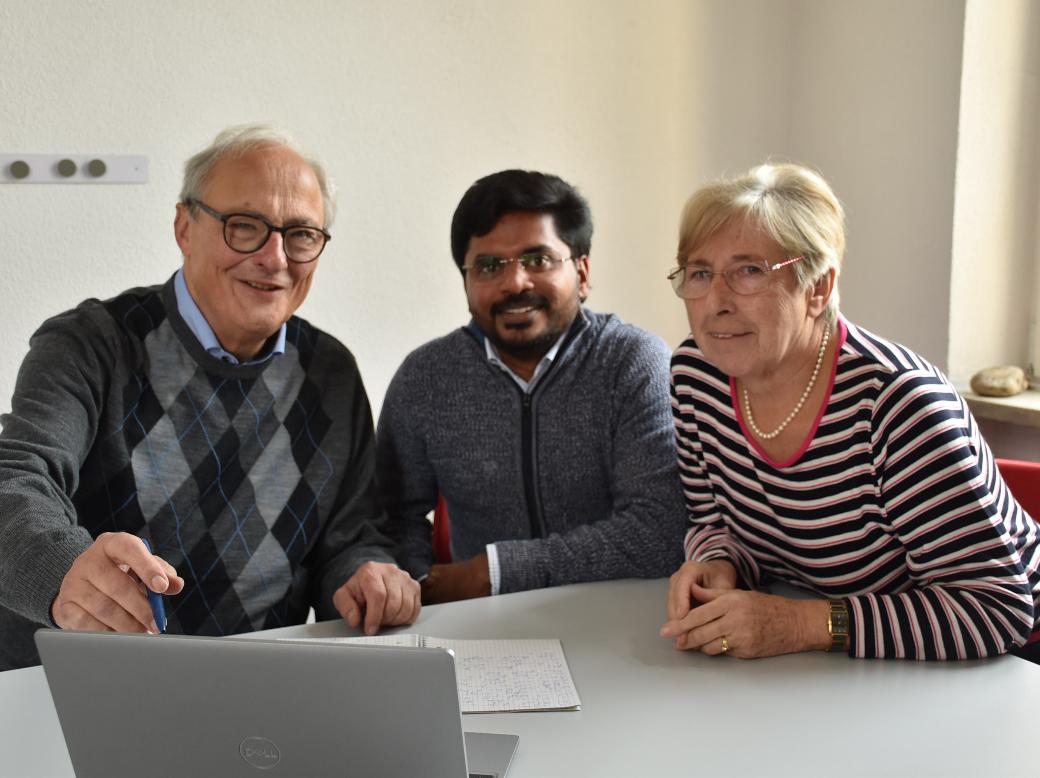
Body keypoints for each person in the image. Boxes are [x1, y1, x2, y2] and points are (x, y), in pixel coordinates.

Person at [0, 124, 419, 671]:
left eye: (301, 235)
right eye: (244, 227)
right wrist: (63, 569)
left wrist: (367, 573)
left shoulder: (332, 372)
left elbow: (349, 535)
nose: (275, 258)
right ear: (184, 227)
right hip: (81, 681)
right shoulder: (90, 344)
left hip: (255, 690)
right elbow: (14, 479)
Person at [659, 162, 1040, 661]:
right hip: (848, 657)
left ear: (817, 287)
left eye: (748, 271)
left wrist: (798, 624)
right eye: (700, 273)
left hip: (1003, 661)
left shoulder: (898, 404)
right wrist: (717, 564)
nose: (716, 301)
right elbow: (713, 520)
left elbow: (997, 608)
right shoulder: (696, 374)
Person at [377, 169, 686, 603]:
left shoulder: (633, 364)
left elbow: (660, 530)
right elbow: (391, 518)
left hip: (623, 623)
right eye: (488, 266)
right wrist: (416, 587)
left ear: (582, 271)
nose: (514, 283)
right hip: (478, 628)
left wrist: (495, 572)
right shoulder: (424, 378)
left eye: (537, 260)